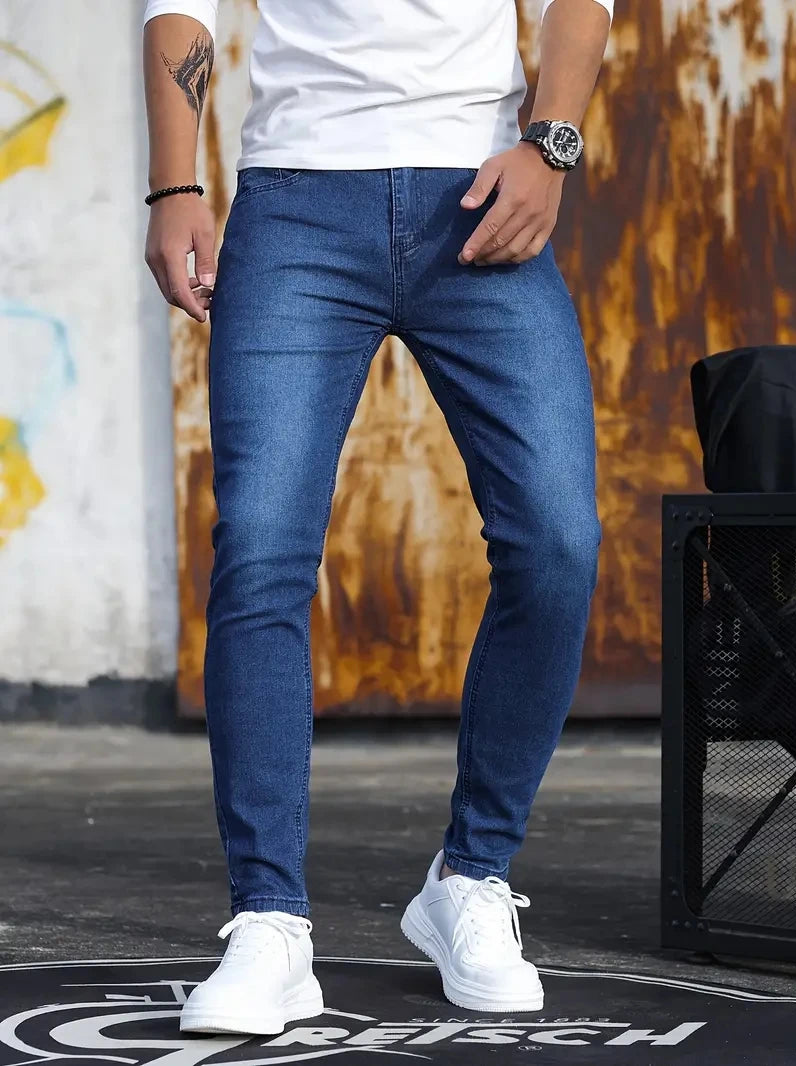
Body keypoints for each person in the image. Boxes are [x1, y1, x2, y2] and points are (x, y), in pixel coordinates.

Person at [142, 0, 612, 1036]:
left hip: (479, 191)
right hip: (296, 200)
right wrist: (175, 185)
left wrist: (551, 145)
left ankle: (470, 878)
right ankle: (268, 921)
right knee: (260, 548)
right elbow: (176, 7)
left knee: (556, 540)